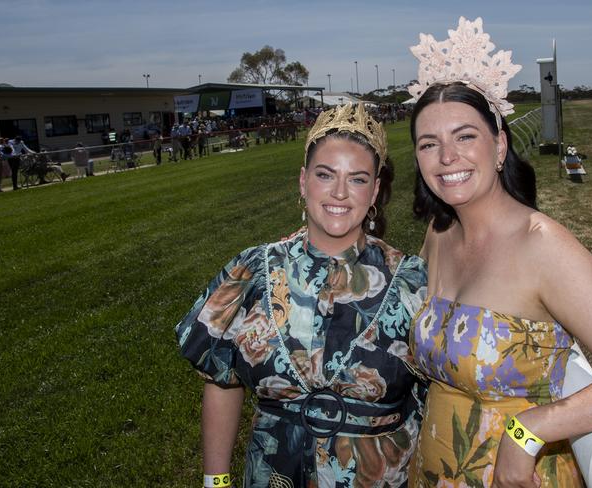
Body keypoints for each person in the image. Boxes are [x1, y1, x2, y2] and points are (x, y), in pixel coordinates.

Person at [405, 17, 592, 487]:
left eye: (465, 136)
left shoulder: (542, 245)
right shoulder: (439, 234)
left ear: (500, 143)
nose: (447, 157)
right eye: (430, 144)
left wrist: (529, 430)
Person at [175, 103, 429, 487]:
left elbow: (438, 397)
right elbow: (222, 379)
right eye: (325, 175)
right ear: (302, 181)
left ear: (375, 189)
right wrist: (216, 481)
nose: (340, 193)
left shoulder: (410, 280)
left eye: (358, 179)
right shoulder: (253, 272)